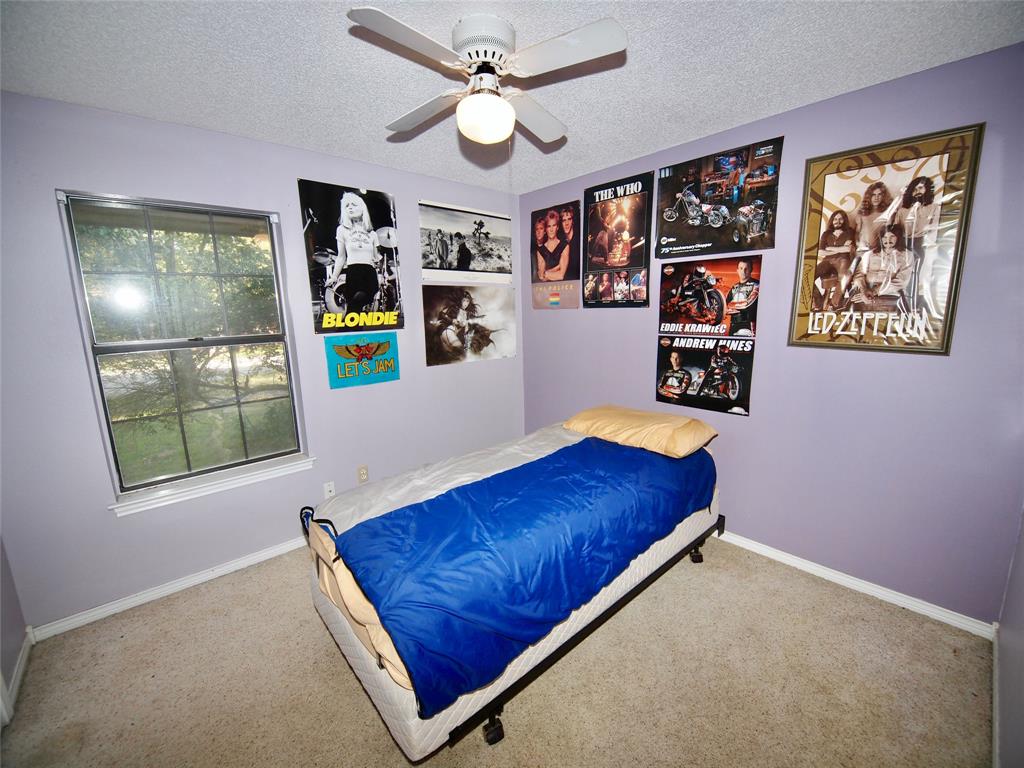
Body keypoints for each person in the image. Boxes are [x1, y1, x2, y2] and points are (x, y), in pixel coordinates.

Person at [893, 176, 939, 316]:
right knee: (899, 274)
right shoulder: (902, 211)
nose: (917, 191)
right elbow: (895, 230)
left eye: (921, 187)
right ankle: (900, 305)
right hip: (904, 244)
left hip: (920, 243)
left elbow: (935, 229)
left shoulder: (933, 208)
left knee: (914, 275)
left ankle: (912, 307)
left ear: (927, 190)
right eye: (914, 188)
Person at [328, 191, 380, 313]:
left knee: (359, 301)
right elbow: (341, 257)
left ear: (362, 207)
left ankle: (347, 327)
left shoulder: (372, 233)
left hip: (369, 272)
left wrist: (379, 261)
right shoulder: (342, 230)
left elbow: (376, 257)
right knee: (354, 307)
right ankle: (349, 328)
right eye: (347, 206)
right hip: (353, 271)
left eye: (353, 204)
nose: (350, 207)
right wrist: (334, 276)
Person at [849, 224, 913, 312]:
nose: (888, 240)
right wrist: (863, 290)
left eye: (892, 236)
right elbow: (859, 274)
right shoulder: (869, 254)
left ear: (898, 237)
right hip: (865, 289)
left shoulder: (907, 255)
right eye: (884, 237)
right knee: (851, 305)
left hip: (890, 291)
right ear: (881, 239)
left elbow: (901, 280)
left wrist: (874, 292)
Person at [813, 209, 855, 310]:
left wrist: (829, 248)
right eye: (835, 219)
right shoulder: (826, 233)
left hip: (843, 259)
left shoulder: (849, 231)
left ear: (844, 220)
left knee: (844, 277)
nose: (838, 221)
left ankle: (834, 304)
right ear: (832, 221)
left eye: (840, 219)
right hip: (827, 261)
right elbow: (820, 252)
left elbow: (848, 249)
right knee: (808, 276)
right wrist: (839, 249)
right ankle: (819, 302)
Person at [853, 181, 893, 254]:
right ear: (869, 196)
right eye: (873, 195)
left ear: (883, 196)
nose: (876, 197)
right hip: (863, 249)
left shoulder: (887, 212)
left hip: (880, 250)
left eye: (879, 194)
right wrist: (859, 244)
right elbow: (857, 232)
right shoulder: (862, 212)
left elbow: (889, 232)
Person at [726, 259, 759, 336]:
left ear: (751, 270)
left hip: (749, 325)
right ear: (737, 270)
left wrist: (731, 306)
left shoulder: (757, 284)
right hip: (734, 325)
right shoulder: (734, 287)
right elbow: (725, 305)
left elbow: (746, 304)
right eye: (741, 268)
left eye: (746, 269)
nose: (743, 271)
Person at [538, 210, 570, 281]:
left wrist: (546, 273)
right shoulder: (540, 250)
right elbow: (541, 277)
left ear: (557, 227)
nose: (551, 229)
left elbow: (561, 275)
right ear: (546, 229)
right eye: (549, 226)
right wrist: (557, 268)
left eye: (554, 225)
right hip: (545, 289)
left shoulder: (564, 246)